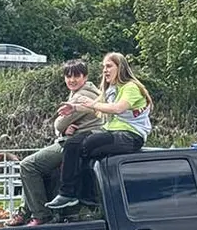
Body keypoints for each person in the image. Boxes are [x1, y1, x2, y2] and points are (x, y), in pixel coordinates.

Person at [46, 52, 152, 210]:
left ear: (120, 67)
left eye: (109, 66)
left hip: (130, 136)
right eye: (103, 67)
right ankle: (68, 194)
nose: (105, 70)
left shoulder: (131, 87)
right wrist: (74, 108)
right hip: (111, 132)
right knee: (72, 144)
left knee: (87, 145)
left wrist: (90, 104)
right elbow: (96, 108)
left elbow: (117, 108)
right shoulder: (111, 89)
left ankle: (87, 195)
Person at [6, 60, 101, 227]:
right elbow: (62, 126)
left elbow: (59, 123)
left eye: (77, 76)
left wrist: (60, 128)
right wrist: (62, 129)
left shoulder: (82, 96)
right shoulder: (84, 92)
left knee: (28, 165)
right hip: (73, 139)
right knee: (36, 166)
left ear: (85, 77)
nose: (72, 80)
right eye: (68, 76)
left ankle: (40, 215)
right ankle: (26, 211)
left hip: (76, 142)